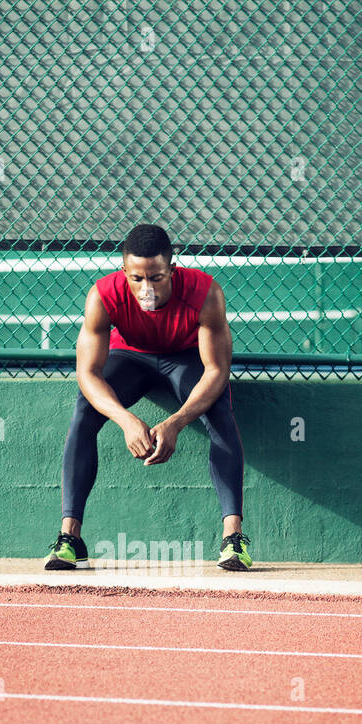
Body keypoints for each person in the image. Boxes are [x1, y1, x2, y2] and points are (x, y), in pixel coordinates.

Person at [44, 223, 252, 571]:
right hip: (131, 357)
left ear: (172, 269)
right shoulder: (103, 294)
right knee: (84, 410)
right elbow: (88, 373)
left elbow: (216, 370)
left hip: (184, 358)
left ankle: (233, 539)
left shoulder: (205, 293)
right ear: (124, 271)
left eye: (156, 278)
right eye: (137, 278)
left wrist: (175, 422)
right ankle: (70, 539)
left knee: (218, 407)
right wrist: (125, 420)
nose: (146, 289)